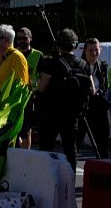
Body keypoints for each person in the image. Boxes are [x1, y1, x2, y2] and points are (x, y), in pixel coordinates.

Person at [36, 28, 91, 171]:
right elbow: (91, 89)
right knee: (70, 149)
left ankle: (45, 178)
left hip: (52, 112)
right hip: (73, 113)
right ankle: (71, 180)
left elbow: (41, 88)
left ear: (58, 44)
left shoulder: (52, 63)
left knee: (46, 147)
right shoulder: (84, 65)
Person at [14, 27, 45, 149]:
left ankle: (25, 154)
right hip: (14, 97)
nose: (21, 40)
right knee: (14, 127)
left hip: (29, 98)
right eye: (19, 38)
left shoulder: (38, 55)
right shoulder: (13, 54)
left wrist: (38, 93)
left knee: (27, 129)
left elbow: (43, 77)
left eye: (24, 38)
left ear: (30, 39)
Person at [81, 38, 110, 158]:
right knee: (78, 137)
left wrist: (100, 92)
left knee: (103, 137)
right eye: (90, 50)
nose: (94, 53)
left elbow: (104, 84)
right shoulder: (80, 65)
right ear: (85, 51)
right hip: (83, 106)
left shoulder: (102, 66)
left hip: (98, 105)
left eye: (96, 50)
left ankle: (105, 164)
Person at [0, 24, 29, 93]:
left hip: (8, 103)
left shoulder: (17, 57)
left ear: (5, 40)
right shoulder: (1, 56)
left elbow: (20, 86)